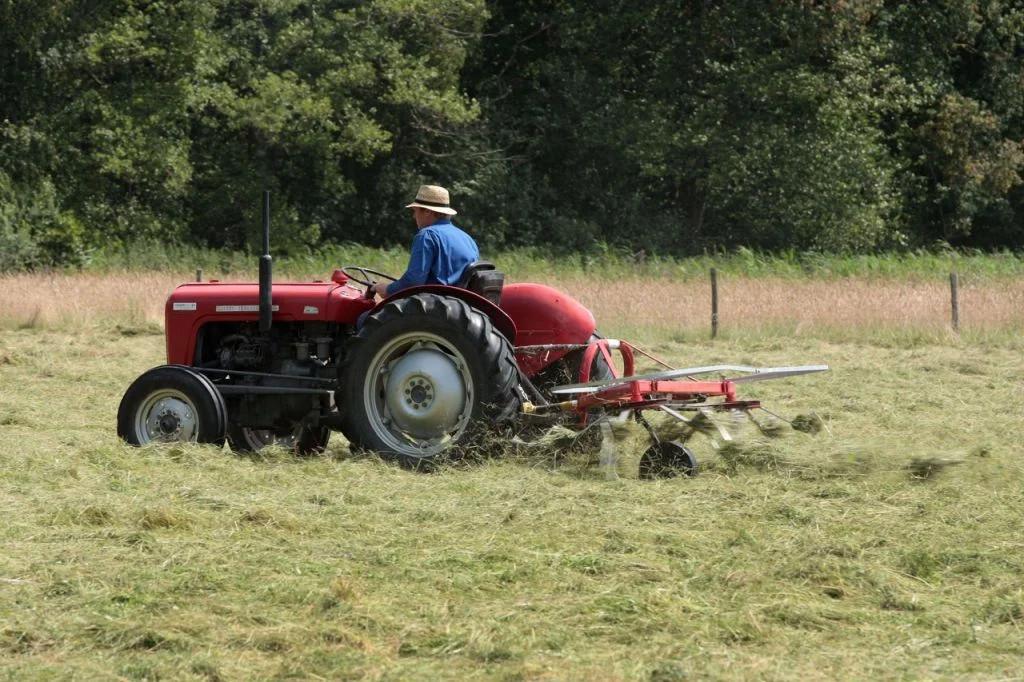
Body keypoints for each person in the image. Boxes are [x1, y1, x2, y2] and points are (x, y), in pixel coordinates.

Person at [369, 184, 480, 298]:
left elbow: (413, 281)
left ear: (427, 211)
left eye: (415, 211)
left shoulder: (427, 235)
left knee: (371, 311)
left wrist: (387, 290)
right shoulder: (468, 239)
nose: (414, 216)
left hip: (435, 303)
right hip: (460, 303)